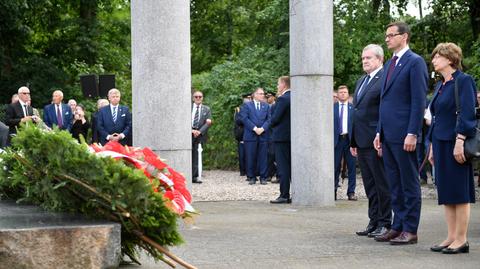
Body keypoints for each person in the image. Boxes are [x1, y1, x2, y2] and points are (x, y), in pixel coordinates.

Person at [373, 22, 428, 245]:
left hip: (405, 135)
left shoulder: (414, 62)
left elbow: (418, 101)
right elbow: (384, 101)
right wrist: (379, 131)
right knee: (394, 183)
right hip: (388, 134)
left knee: (409, 183)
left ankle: (411, 229)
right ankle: (397, 226)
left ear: (404, 37)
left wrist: (413, 132)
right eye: (386, 36)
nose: (387, 39)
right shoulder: (389, 64)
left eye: (391, 35)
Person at [427, 43, 476, 254]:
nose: (434, 60)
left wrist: (460, 140)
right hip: (439, 142)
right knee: (446, 192)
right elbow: (436, 118)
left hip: (456, 142)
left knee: (460, 192)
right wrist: (431, 147)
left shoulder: (464, 81)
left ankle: (462, 239)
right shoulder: (440, 86)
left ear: (449, 59)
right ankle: (451, 236)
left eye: (437, 57)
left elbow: (467, 113)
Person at [350, 44, 392, 237]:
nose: (364, 61)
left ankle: (385, 222)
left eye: (368, 58)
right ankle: (373, 221)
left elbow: (384, 109)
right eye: (363, 58)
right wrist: (353, 141)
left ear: (379, 59)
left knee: (381, 183)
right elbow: (357, 111)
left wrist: (380, 135)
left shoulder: (385, 78)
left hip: (376, 139)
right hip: (361, 140)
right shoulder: (361, 80)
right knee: (369, 184)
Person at [239, 87, 271, 185]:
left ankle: (263, 177)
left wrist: (263, 128)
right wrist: (255, 128)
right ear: (255, 95)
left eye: (263, 94)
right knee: (250, 156)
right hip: (250, 135)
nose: (263, 95)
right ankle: (251, 177)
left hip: (263, 135)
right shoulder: (246, 106)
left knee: (263, 157)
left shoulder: (267, 106)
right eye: (260, 94)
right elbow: (244, 119)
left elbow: (269, 119)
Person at [270, 76, 291, 203]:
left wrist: (270, 123)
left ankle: (284, 195)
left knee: (283, 167)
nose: (277, 86)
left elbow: (275, 118)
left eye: (278, 84)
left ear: (283, 84)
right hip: (293, 138)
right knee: (292, 167)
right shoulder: (296, 97)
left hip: (282, 138)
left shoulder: (283, 99)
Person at [334, 85, 357, 200]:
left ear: (348, 94)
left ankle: (351, 192)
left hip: (350, 141)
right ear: (337, 95)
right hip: (337, 141)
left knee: (352, 167)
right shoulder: (331, 108)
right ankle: (333, 191)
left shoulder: (353, 108)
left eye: (345, 92)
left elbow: (357, 126)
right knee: (335, 167)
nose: (343, 94)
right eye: (341, 92)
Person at [191, 90, 212, 184]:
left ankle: (194, 176)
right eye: (196, 97)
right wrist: (191, 130)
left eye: (200, 96)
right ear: (193, 98)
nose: (198, 98)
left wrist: (199, 131)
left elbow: (208, 122)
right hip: (188, 133)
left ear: (202, 98)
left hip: (200, 135)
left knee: (196, 156)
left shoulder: (206, 109)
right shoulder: (187, 107)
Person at [234, 93, 251, 177]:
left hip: (251, 132)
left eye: (249, 98)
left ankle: (250, 170)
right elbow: (238, 121)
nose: (248, 100)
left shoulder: (252, 108)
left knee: (250, 153)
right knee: (242, 154)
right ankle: (242, 170)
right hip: (242, 133)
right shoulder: (239, 109)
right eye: (246, 98)